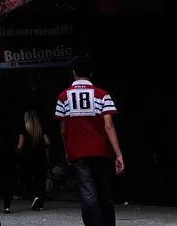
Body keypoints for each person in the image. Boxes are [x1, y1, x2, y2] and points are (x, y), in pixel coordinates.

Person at [55, 56, 124, 226]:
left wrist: (66, 150)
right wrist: (119, 154)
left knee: (88, 194)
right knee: (104, 193)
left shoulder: (63, 97)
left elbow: (63, 130)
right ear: (91, 73)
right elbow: (109, 127)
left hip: (78, 153)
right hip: (101, 152)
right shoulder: (102, 95)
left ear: (73, 73)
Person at [17, 109, 51, 211]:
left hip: (28, 158)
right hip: (41, 157)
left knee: (29, 178)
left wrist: (17, 155)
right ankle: (40, 203)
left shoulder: (24, 129)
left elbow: (20, 145)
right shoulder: (41, 129)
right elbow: (48, 142)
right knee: (40, 179)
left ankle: (35, 195)